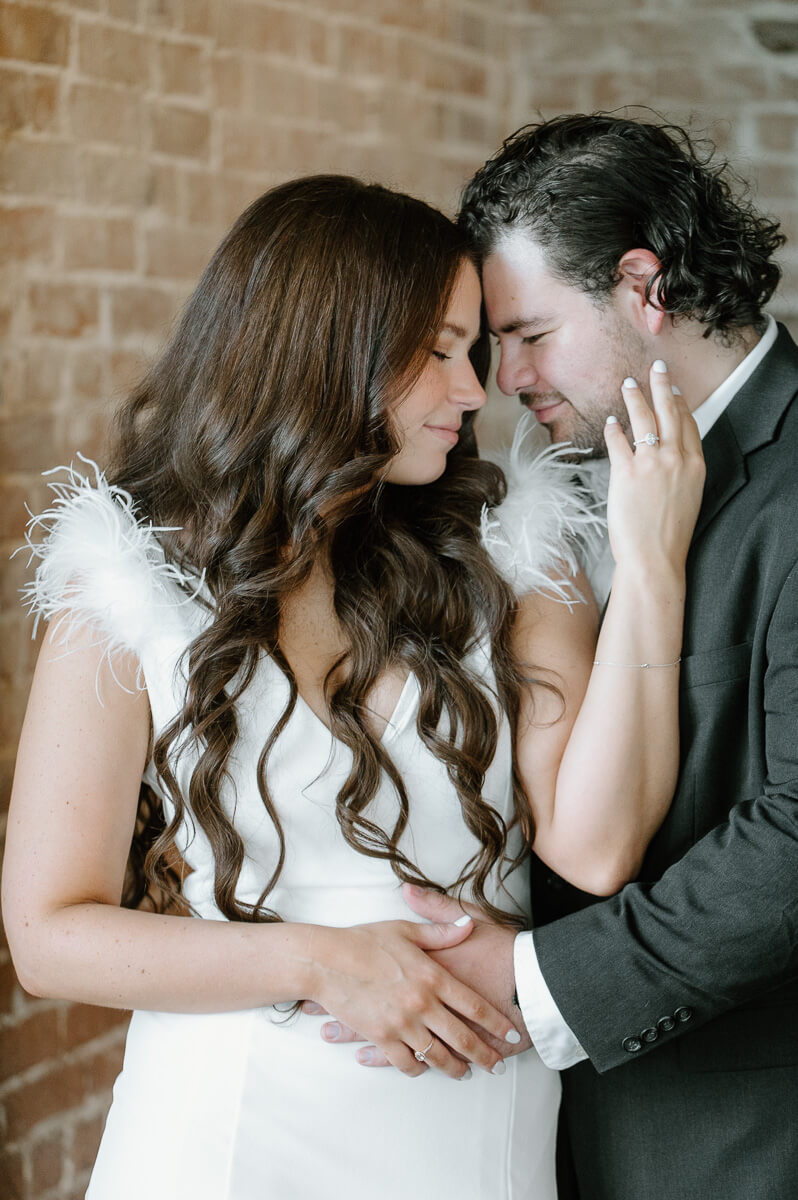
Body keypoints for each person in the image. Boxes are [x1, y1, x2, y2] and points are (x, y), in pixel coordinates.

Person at [3, 174, 702, 1200]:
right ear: (331, 347)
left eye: (476, 352)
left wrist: (651, 565)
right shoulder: (127, 584)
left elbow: (595, 848)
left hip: (470, 1133)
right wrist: (320, 962)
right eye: (439, 352)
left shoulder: (514, 558)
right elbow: (49, 936)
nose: (476, 390)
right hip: (226, 1137)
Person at [320, 115, 798, 1199]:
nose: (507, 380)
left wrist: (536, 979)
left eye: (529, 333)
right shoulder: (563, 489)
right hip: (537, 1133)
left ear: (643, 287)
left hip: (747, 1140)